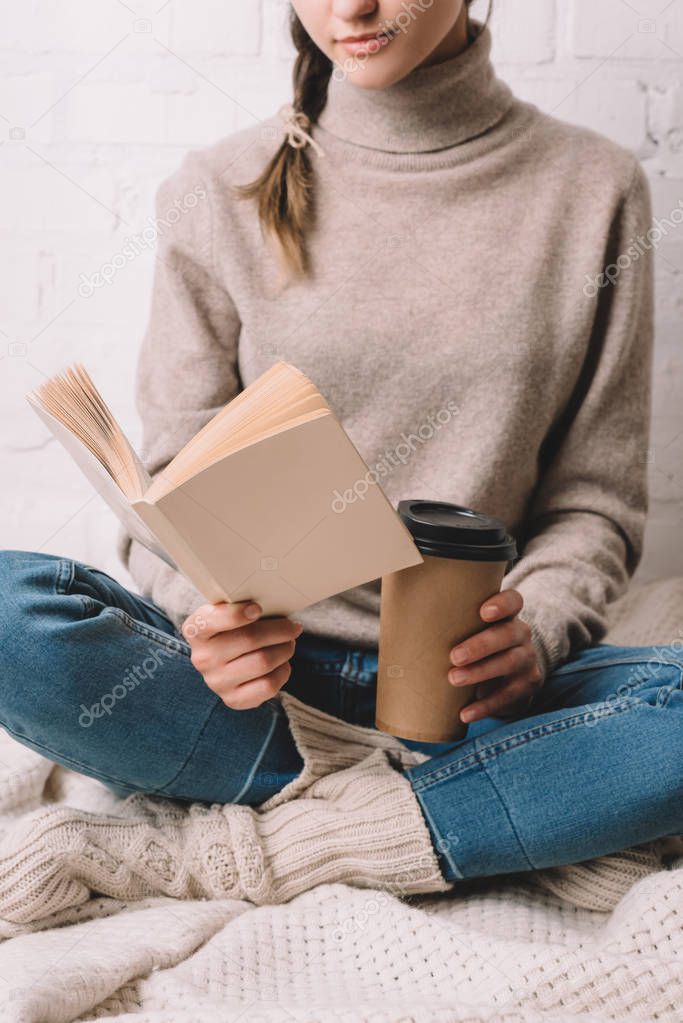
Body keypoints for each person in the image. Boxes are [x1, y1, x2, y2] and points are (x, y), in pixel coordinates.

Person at [1, 0, 681, 900]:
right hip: (256, 695)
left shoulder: (594, 187)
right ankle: (472, 811)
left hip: (471, 700)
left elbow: (594, 502)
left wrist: (541, 628)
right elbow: (171, 483)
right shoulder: (217, 186)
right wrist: (205, 625)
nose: (349, 9)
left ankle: (315, 840)